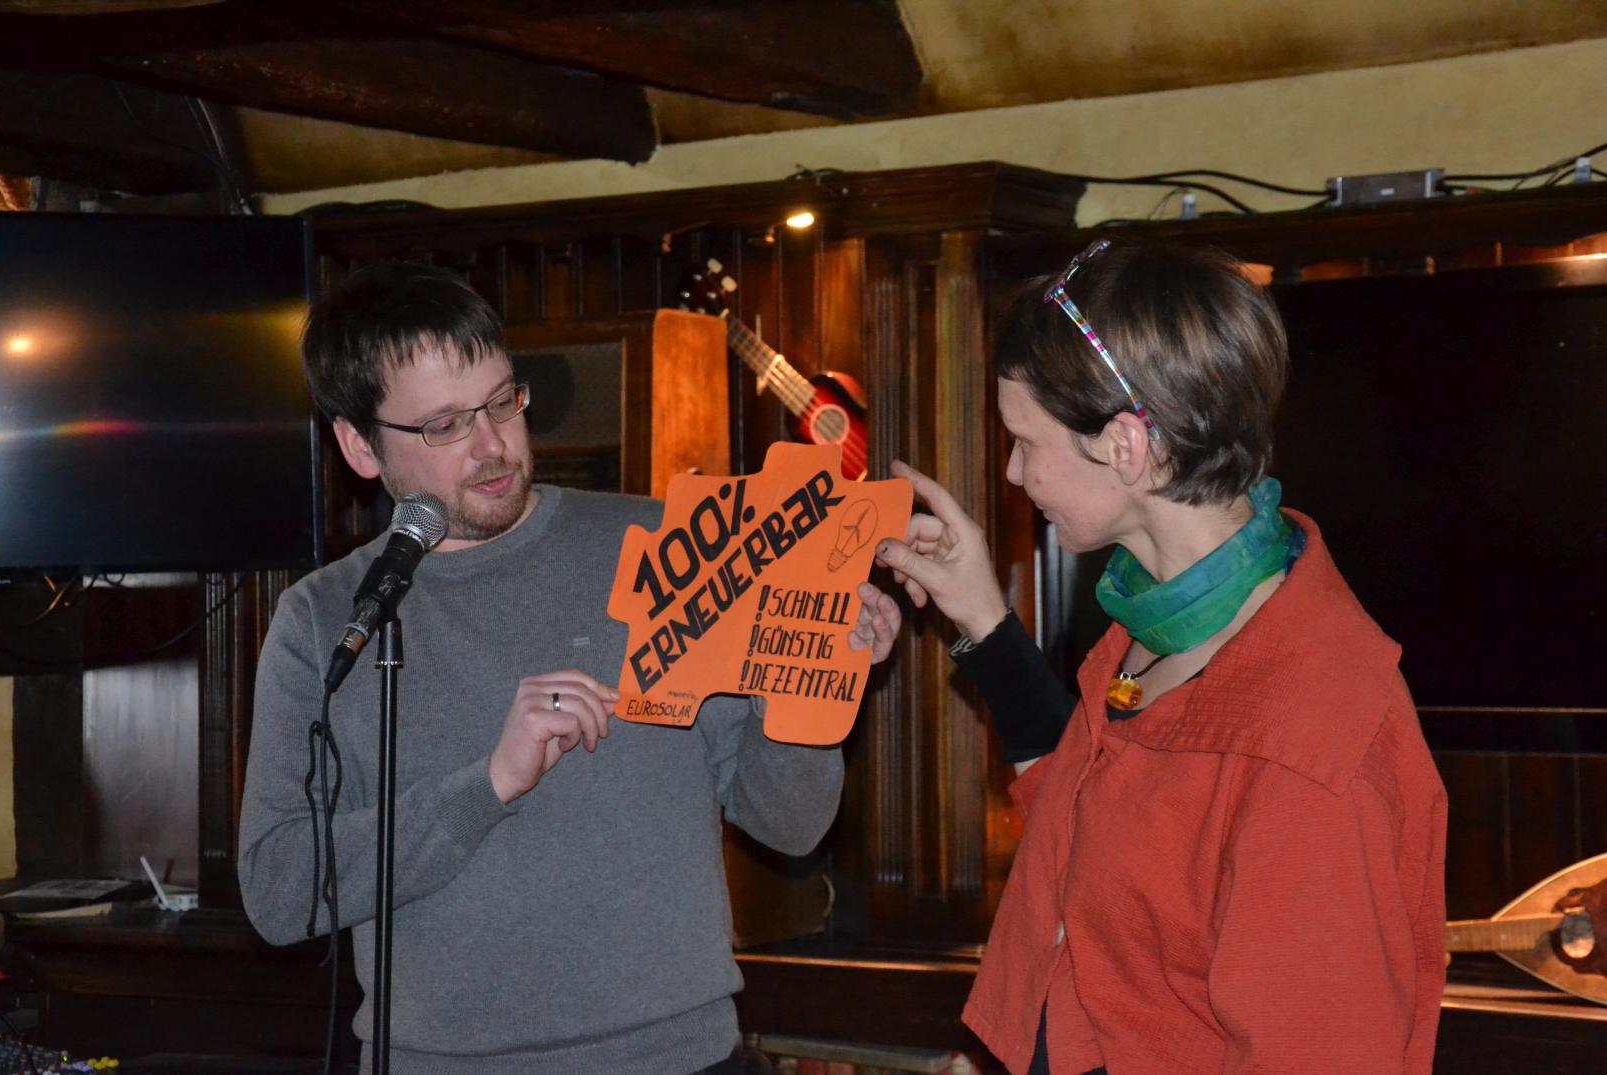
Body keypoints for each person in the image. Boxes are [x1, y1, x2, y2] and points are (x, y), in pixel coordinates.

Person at [847, 240, 1447, 1074]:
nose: (1012, 472)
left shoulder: (1309, 747)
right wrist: (981, 617)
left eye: (1024, 441)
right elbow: (1083, 825)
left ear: (1126, 447)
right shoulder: (1155, 628)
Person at [238, 261, 843, 1074]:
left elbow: (791, 824)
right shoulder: (325, 620)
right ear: (359, 445)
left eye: (502, 402)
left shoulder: (669, 547)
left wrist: (804, 672)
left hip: (681, 1059)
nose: (492, 445)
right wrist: (486, 785)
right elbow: (279, 890)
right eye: (445, 425)